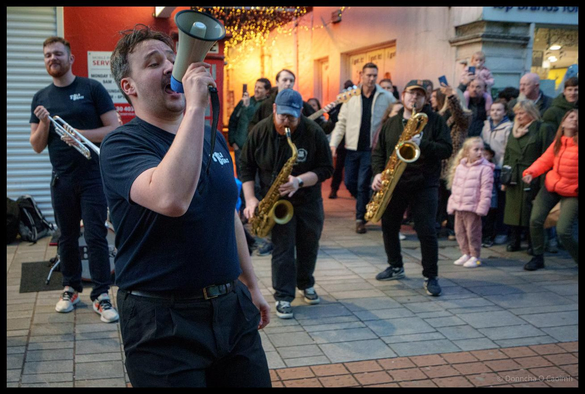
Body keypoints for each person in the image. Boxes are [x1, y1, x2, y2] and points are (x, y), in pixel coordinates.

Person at [100, 25, 271, 387]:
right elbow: (171, 198)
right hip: (161, 322)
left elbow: (228, 215)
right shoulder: (122, 145)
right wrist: (195, 109)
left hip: (230, 308)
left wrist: (252, 285)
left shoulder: (214, 139)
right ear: (129, 87)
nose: (170, 68)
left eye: (172, 59)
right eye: (153, 62)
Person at [29, 36, 119, 323]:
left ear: (71, 59)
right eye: (47, 56)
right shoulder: (41, 98)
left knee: (95, 236)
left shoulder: (91, 88)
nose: (52, 59)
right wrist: (45, 123)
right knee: (66, 238)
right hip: (61, 180)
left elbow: (113, 128)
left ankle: (102, 296)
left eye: (57, 54)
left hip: (92, 177)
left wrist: (80, 135)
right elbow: (36, 145)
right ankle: (70, 288)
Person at [240, 89, 333, 319]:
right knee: (282, 249)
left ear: (300, 112)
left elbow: (326, 168)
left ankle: (305, 283)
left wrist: (300, 181)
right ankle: (283, 296)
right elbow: (246, 166)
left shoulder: (313, 132)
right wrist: (251, 198)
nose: (286, 122)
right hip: (275, 202)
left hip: (307, 199)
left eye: (291, 117)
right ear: (274, 109)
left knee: (309, 244)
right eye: (282, 116)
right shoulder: (260, 131)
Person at [372, 79, 452, 296]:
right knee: (389, 225)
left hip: (424, 183)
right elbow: (379, 152)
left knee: (426, 230)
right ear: (403, 95)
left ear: (425, 98)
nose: (414, 98)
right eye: (410, 93)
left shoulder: (434, 121)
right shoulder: (391, 123)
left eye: (419, 94)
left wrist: (422, 144)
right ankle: (395, 266)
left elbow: (447, 149)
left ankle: (431, 276)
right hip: (395, 182)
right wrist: (378, 173)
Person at [329, 62, 396, 234]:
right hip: (352, 147)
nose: (372, 79)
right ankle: (366, 205)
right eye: (368, 75)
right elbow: (341, 122)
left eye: (375, 75)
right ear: (361, 75)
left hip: (371, 148)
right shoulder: (351, 96)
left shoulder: (385, 96)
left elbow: (395, 114)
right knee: (350, 182)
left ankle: (360, 219)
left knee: (362, 183)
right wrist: (333, 143)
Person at [522, 109, 578, 270]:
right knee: (535, 220)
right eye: (571, 116)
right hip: (552, 185)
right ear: (564, 121)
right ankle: (538, 257)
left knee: (563, 231)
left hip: (573, 191)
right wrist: (530, 173)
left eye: (577, 118)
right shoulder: (559, 142)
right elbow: (545, 161)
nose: (574, 120)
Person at [501, 100, 553, 254]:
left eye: (522, 113)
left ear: (531, 113)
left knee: (530, 211)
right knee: (513, 211)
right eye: (516, 113)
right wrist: (505, 177)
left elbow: (547, 156)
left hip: (532, 174)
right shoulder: (514, 130)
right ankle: (514, 240)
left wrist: (544, 182)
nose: (518, 116)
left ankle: (534, 243)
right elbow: (508, 154)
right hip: (514, 175)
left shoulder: (543, 128)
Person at [446, 137, 494, 268]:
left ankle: (475, 256)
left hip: (473, 207)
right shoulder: (460, 167)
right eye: (476, 149)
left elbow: (486, 190)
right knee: (459, 232)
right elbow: (455, 187)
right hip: (459, 206)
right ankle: (465, 253)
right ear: (467, 152)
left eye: (481, 149)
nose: (480, 152)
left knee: (473, 233)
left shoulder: (485, 169)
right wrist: (452, 203)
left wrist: (482, 207)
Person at [435, 84, 471, 240]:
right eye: (449, 97)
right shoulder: (441, 114)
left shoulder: (466, 115)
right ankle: (437, 225)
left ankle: (451, 227)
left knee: (451, 194)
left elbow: (459, 115)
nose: (450, 100)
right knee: (438, 195)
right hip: (440, 158)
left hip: (453, 159)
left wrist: (451, 95)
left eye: (454, 97)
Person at [480, 99, 513, 246]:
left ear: (505, 112)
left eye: (499, 110)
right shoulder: (486, 126)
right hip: (487, 167)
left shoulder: (508, 127)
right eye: (493, 110)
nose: (495, 112)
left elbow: (508, 149)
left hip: (500, 168)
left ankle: (501, 231)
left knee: (501, 203)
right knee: (489, 203)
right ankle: (487, 233)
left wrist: (505, 166)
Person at [228, 77, 271, 178]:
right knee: (241, 177)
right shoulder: (245, 101)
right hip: (240, 148)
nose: (256, 89)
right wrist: (233, 142)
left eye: (260, 88)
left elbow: (258, 123)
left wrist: (248, 107)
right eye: (255, 87)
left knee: (255, 181)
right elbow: (233, 121)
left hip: (258, 150)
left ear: (267, 91)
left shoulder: (268, 105)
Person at [329, 79, 356, 199]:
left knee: (353, 168)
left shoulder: (356, 103)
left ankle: (352, 188)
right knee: (339, 167)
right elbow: (338, 122)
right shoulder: (341, 102)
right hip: (342, 140)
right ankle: (334, 189)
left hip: (353, 139)